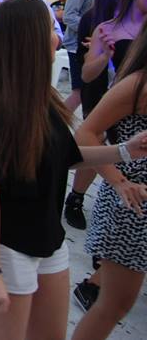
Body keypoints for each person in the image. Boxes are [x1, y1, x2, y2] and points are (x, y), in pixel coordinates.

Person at [0, 0, 147, 340]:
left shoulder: (41, 98)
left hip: (48, 239)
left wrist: (124, 151)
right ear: (28, 40)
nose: (57, 36)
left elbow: (66, 156)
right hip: (7, 247)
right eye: (50, 29)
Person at [73, 21, 147, 339]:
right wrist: (119, 181)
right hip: (131, 209)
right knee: (114, 306)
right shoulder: (138, 85)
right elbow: (86, 133)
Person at [65, 0, 134, 241]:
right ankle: (76, 197)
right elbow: (86, 68)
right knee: (97, 142)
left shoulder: (133, 19)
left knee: (118, 146)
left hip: (126, 95)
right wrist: (101, 52)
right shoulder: (94, 19)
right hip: (98, 89)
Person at [63, 0, 113, 113]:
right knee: (79, 93)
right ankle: (54, 123)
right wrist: (93, 33)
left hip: (97, 46)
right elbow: (69, 16)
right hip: (78, 46)